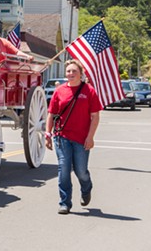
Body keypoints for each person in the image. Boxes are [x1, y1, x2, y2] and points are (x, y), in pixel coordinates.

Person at [45, 59, 103, 215]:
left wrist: (90, 137)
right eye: (68, 71)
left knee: (81, 171)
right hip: (61, 136)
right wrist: (48, 133)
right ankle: (65, 203)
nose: (70, 74)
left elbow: (95, 117)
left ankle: (86, 187)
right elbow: (51, 113)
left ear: (80, 73)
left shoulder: (89, 91)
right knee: (63, 169)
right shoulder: (59, 91)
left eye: (74, 71)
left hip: (81, 138)